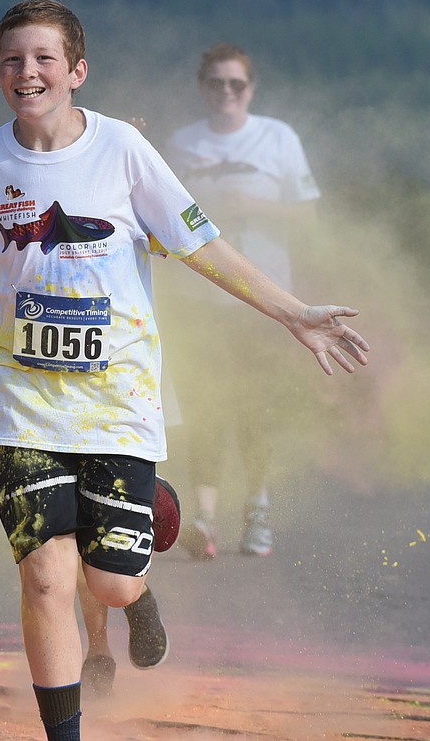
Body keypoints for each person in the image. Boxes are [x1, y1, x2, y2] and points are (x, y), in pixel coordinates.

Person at [0, 0, 369, 741]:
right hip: (22, 402)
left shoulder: (123, 151)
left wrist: (293, 312)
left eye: (44, 58)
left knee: (109, 581)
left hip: (119, 402)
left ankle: (138, 590)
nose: (28, 72)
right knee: (47, 576)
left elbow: (202, 245)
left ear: (77, 71)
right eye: (13, 60)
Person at [164, 42, 321, 559]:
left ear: (250, 89)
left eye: (236, 84)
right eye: (216, 83)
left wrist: (252, 205)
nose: (226, 93)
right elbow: (162, 215)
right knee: (205, 405)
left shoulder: (277, 138)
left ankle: (257, 511)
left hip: (263, 300)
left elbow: (308, 216)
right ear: (202, 87)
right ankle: (204, 518)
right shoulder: (181, 144)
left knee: (257, 408)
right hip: (199, 297)